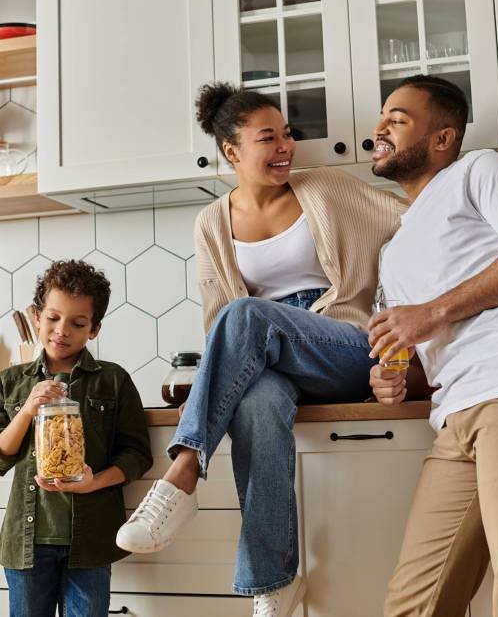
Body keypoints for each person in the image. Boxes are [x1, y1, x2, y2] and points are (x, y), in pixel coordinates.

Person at [116, 82, 405, 616]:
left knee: (247, 315)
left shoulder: (324, 187)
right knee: (256, 402)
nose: (285, 147)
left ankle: (182, 470)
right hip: (264, 355)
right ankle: (273, 585)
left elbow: (411, 222)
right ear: (232, 151)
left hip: (339, 344)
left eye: (287, 135)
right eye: (267, 138)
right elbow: (217, 320)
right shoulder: (211, 223)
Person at [367, 74, 498, 617]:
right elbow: (417, 351)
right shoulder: (395, 246)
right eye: (382, 116)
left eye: (398, 119)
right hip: (454, 415)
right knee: (414, 603)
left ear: (442, 138)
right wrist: (393, 377)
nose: (379, 128)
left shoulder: (479, 170)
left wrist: (428, 313)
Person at [0, 260, 153, 617]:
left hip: (91, 542)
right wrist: (27, 409)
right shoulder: (10, 382)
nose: (61, 330)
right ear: (37, 316)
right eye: (52, 318)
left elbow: (136, 454)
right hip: (27, 543)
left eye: (77, 323)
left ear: (94, 329)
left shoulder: (113, 381)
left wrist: (94, 482)